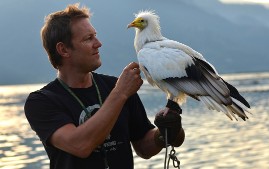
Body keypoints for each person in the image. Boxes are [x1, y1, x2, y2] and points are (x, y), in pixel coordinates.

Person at [24, 3, 184, 169]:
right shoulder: (42, 102)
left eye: (95, 36)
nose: (98, 43)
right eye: (88, 38)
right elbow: (80, 145)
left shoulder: (115, 86)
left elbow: (144, 147)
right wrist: (121, 93)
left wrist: (167, 132)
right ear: (63, 50)